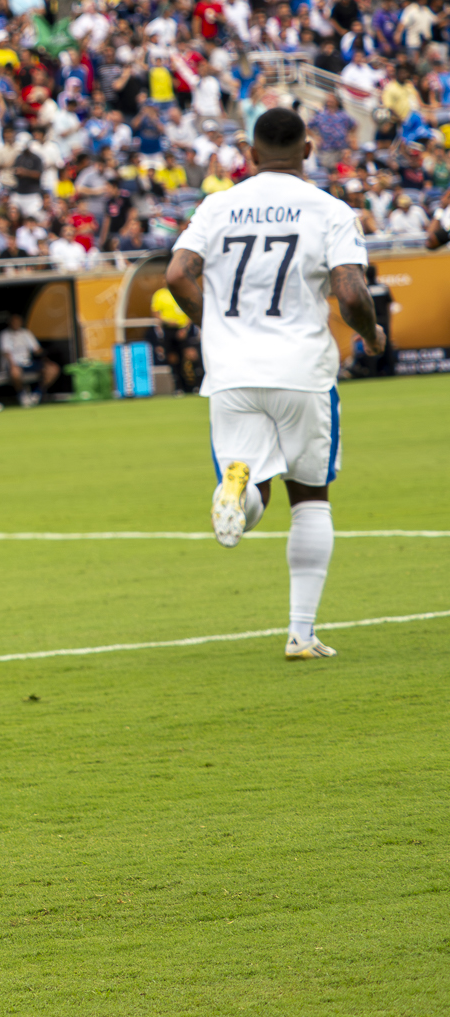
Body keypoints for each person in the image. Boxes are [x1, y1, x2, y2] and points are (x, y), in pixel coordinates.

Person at [164, 107, 385, 660]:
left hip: (232, 371)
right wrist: (373, 335)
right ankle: (301, 634)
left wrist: (214, 327)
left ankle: (234, 489)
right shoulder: (330, 210)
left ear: (251, 154)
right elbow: (352, 294)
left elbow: (176, 274)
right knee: (310, 498)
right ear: (308, 150)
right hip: (301, 372)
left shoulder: (217, 205)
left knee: (254, 487)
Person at [0, 312, 60, 407]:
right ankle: (22, 395)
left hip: (28, 363)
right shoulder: (4, 334)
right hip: (14, 364)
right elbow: (6, 352)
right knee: (15, 371)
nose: (16, 323)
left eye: (18, 321)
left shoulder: (26, 333)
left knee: (53, 368)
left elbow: (37, 350)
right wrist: (12, 365)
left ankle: (37, 393)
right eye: (14, 321)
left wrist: (46, 359)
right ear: (10, 322)